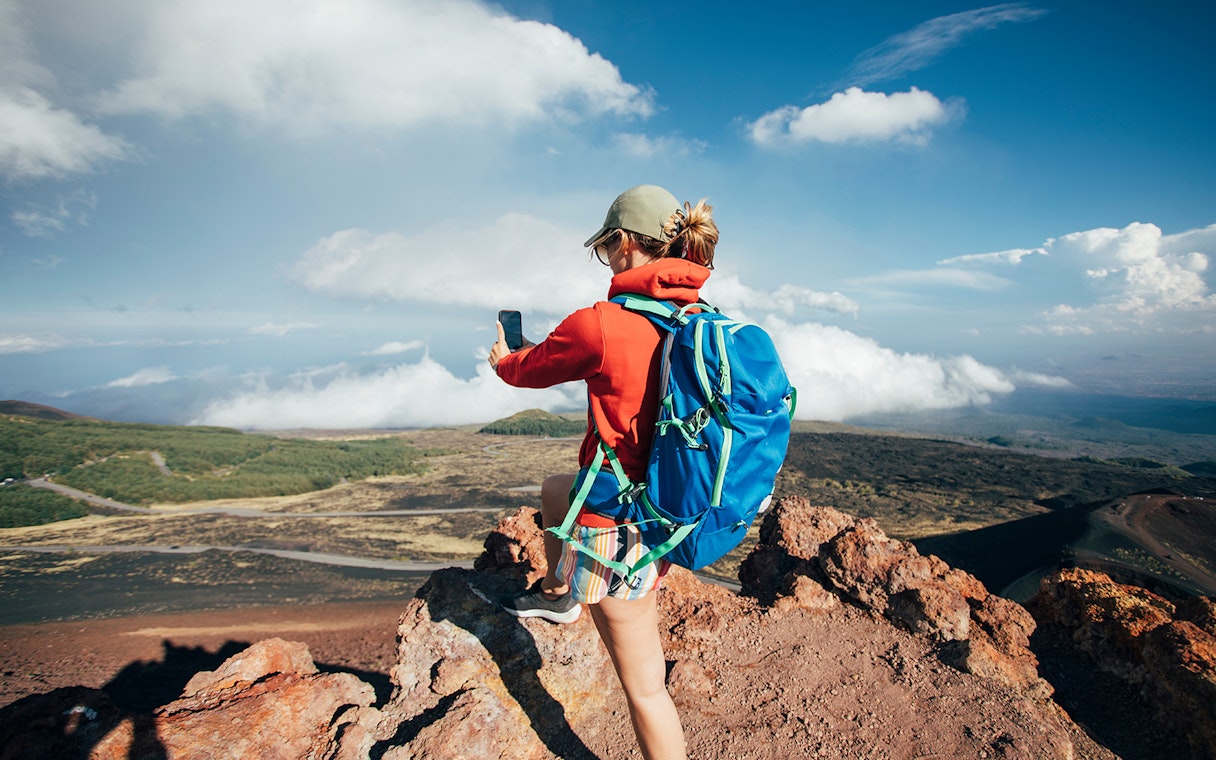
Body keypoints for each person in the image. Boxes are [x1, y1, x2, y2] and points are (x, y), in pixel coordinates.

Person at [487, 184, 718, 760]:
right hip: (679, 503)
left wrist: (503, 361)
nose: (606, 258)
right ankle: (560, 591)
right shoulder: (700, 317)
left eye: (606, 248)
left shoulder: (601, 324)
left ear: (621, 245)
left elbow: (526, 371)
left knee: (646, 690)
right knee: (554, 490)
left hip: (621, 527)